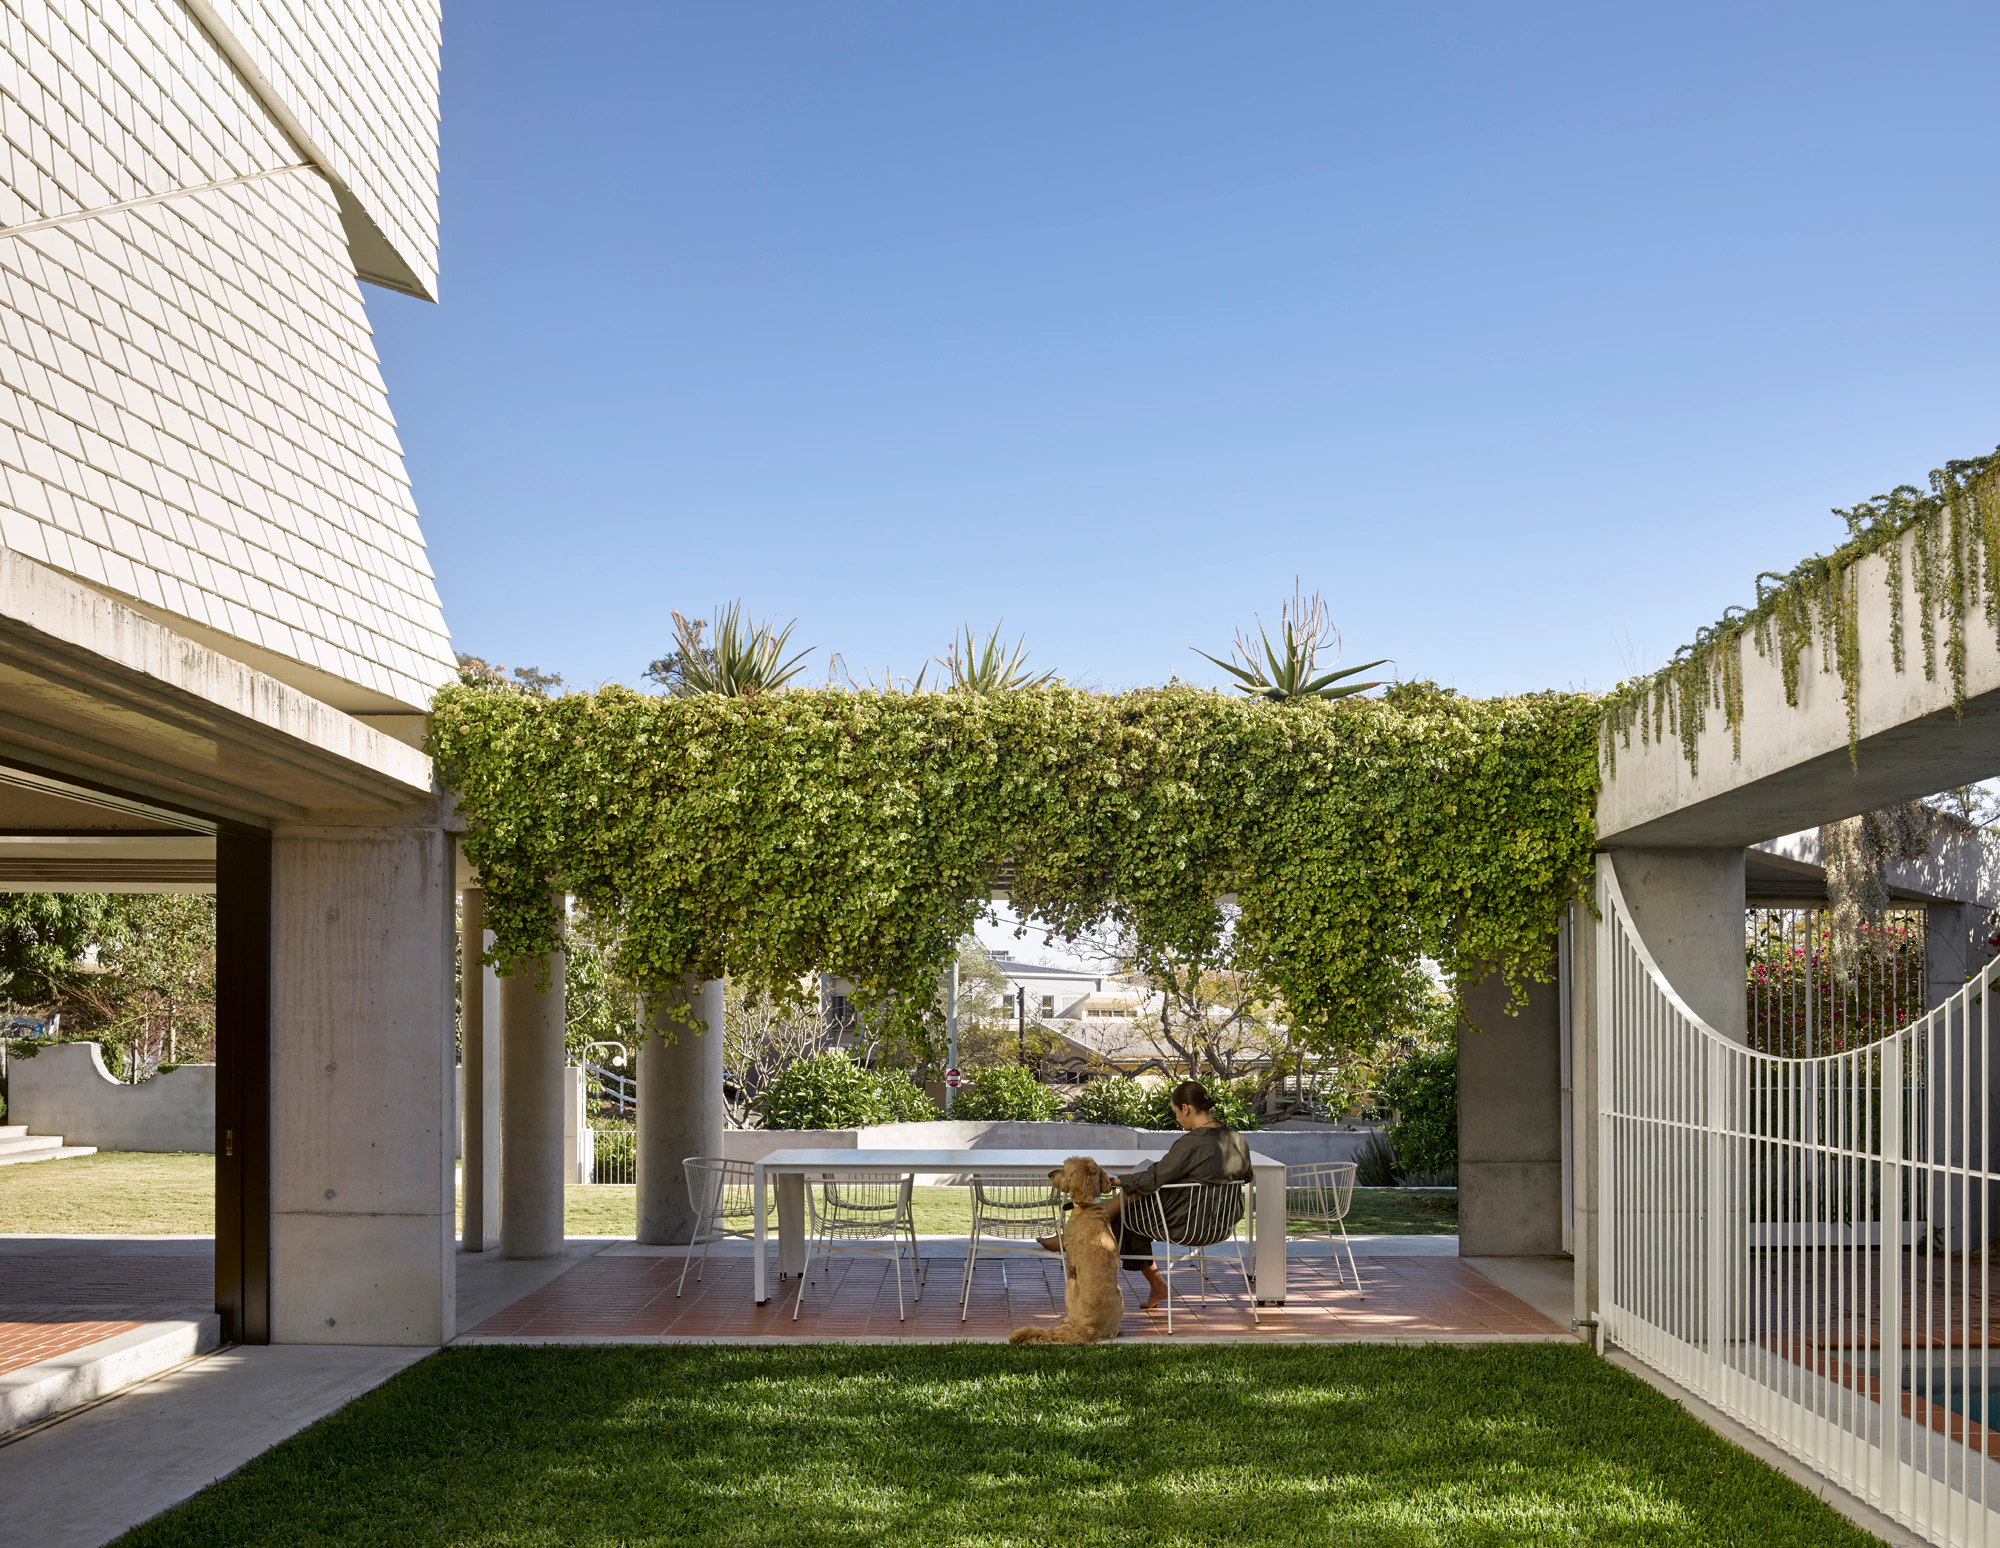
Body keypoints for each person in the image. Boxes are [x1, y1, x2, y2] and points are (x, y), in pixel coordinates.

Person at [1039, 1079, 1251, 1312]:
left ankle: (1073, 1242)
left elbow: (1155, 1177)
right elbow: (1247, 1175)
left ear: (1186, 1108)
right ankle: (1072, 1239)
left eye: (1175, 1112)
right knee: (1133, 1199)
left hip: (1188, 1222)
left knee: (1127, 1214)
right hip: (1222, 1222)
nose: (1178, 1119)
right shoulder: (1236, 1137)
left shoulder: (1192, 1142)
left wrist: (1117, 1180)